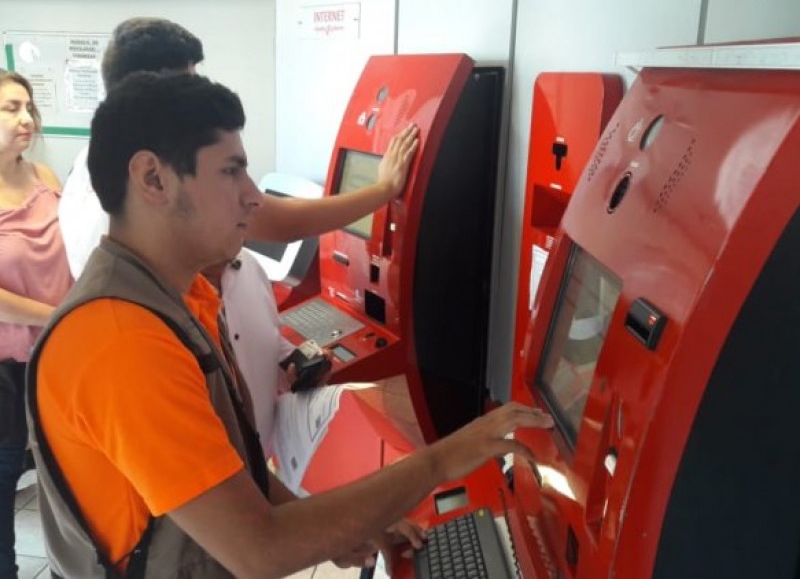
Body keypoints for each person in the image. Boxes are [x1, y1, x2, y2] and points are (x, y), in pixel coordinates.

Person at [27, 71, 554, 579]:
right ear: (153, 178)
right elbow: (259, 549)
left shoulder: (180, 300)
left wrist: (336, 524)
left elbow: (227, 484)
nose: (253, 196)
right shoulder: (123, 342)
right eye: (231, 171)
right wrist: (444, 459)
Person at [59, 17, 420, 458]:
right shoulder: (142, 297)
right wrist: (382, 191)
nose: (248, 197)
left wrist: (279, 349)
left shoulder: (89, 167)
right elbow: (250, 526)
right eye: (186, 88)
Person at [0, 70, 72, 578]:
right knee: (4, 479)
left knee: (66, 474)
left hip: (61, 357)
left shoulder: (44, 177)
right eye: (9, 109)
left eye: (28, 107)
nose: (26, 119)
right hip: (6, 369)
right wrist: (60, 316)